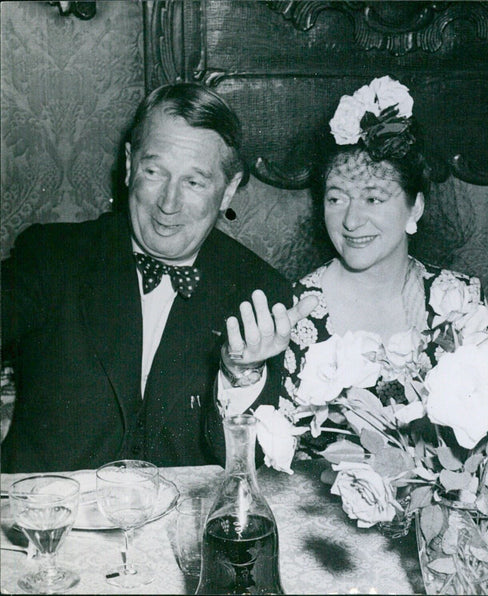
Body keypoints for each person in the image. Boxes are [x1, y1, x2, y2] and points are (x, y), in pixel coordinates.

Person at [1, 82, 315, 473]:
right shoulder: (50, 256)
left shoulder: (260, 294)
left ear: (229, 190)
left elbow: (244, 466)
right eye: (154, 171)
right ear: (131, 166)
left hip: (181, 526)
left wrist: (241, 375)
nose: (168, 203)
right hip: (51, 521)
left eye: (194, 182)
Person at [275, 76, 488, 412]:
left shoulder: (461, 304)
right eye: (336, 199)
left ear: (414, 207)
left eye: (373, 199)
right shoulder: (294, 312)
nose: (351, 220)